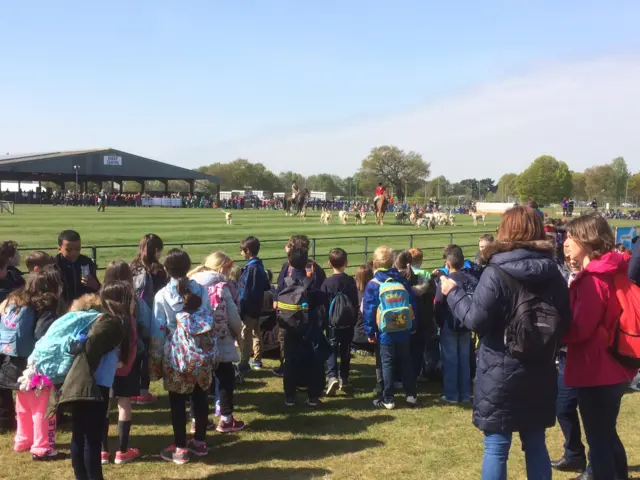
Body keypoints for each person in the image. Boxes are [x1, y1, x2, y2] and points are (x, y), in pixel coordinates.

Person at [440, 206, 571, 480]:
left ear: (506, 232)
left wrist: (454, 294)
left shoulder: (496, 272)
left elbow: (475, 319)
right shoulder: (554, 273)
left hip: (501, 368)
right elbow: (566, 323)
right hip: (540, 367)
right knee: (535, 444)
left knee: (497, 446)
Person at [563, 213, 636, 480]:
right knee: (607, 432)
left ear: (587, 240)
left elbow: (581, 329)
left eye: (572, 236)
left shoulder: (593, 278)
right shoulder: (614, 268)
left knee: (599, 440)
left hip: (595, 368)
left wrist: (556, 332)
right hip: (616, 363)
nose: (567, 242)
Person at [57, 282, 132, 480]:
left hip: (79, 381)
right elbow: (94, 348)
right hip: (94, 384)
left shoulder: (94, 319)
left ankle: (81, 476)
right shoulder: (112, 322)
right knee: (92, 437)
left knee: (79, 433)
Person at [151, 249, 214, 465]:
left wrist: (156, 358)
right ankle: (200, 441)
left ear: (166, 269)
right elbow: (208, 316)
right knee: (200, 396)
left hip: (176, 352)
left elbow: (158, 330)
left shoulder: (162, 295)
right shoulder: (202, 290)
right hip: (202, 350)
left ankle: (180, 447)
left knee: (177, 400)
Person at [0, 266, 64, 460]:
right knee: (43, 408)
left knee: (23, 405)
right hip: (35, 365)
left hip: (13, 361)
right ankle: (42, 446)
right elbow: (42, 335)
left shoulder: (17, 300)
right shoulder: (47, 305)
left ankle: (23, 440)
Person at [100, 261, 152, 465]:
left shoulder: (101, 299)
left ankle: (103, 450)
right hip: (129, 358)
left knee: (104, 403)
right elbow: (146, 325)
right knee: (124, 401)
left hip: (105, 359)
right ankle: (122, 450)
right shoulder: (133, 301)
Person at [188, 251, 246, 433]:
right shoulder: (222, 286)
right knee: (225, 377)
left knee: (199, 382)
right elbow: (233, 316)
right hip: (221, 338)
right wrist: (238, 332)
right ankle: (226, 418)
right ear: (222, 268)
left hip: (197, 339)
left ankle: (198, 420)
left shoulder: (191, 282)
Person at [364, 246, 418, 410]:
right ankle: (411, 394)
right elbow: (411, 304)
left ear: (374, 263)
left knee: (387, 363)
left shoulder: (374, 284)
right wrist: (413, 325)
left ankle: (388, 398)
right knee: (405, 360)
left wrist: (369, 330)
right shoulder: (402, 280)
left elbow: (369, 310)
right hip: (403, 327)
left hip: (385, 330)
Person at [551, 257, 591, 476]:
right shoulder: (564, 279)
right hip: (566, 356)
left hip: (586, 356)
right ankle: (574, 453)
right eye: (568, 258)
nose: (571, 261)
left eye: (576, 256)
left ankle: (599, 464)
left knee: (592, 414)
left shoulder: (591, 282)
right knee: (563, 406)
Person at [277, 247, 327, 407]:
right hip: (309, 325)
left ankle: (289, 396)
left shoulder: (285, 281)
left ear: (289, 263)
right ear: (306, 262)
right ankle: (313, 396)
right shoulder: (310, 282)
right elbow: (321, 298)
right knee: (313, 359)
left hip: (289, 325)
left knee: (290, 360)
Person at [434, 245, 477, 404]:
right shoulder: (471, 279)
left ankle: (452, 394)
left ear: (447, 264)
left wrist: (439, 322)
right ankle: (465, 394)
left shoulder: (445, 281)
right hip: (467, 322)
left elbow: (438, 303)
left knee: (451, 359)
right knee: (464, 358)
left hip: (450, 322)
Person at [130, 233, 167, 405]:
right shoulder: (157, 270)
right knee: (147, 355)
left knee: (135, 352)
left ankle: (131, 391)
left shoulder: (133, 266)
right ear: (157, 250)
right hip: (152, 315)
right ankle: (143, 392)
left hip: (134, 314)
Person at [321, 248, 359, 395]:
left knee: (332, 349)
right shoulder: (350, 281)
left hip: (332, 323)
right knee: (345, 350)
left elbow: (323, 305)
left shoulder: (327, 283)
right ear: (346, 263)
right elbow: (355, 302)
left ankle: (332, 376)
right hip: (348, 322)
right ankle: (344, 378)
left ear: (330, 264)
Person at [238, 236, 269, 372]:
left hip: (249, 307)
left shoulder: (251, 268)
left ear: (248, 251)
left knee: (246, 335)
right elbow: (266, 285)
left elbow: (246, 291)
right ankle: (257, 360)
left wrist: (241, 308)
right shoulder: (260, 265)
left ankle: (244, 363)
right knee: (257, 333)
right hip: (257, 305)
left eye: (242, 250)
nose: (241, 253)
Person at [56, 230, 100, 304]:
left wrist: (95, 285)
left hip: (84, 308)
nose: (73, 253)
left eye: (77, 249)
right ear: (59, 249)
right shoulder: (55, 265)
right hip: (61, 309)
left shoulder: (86, 262)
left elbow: (98, 290)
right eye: (68, 250)